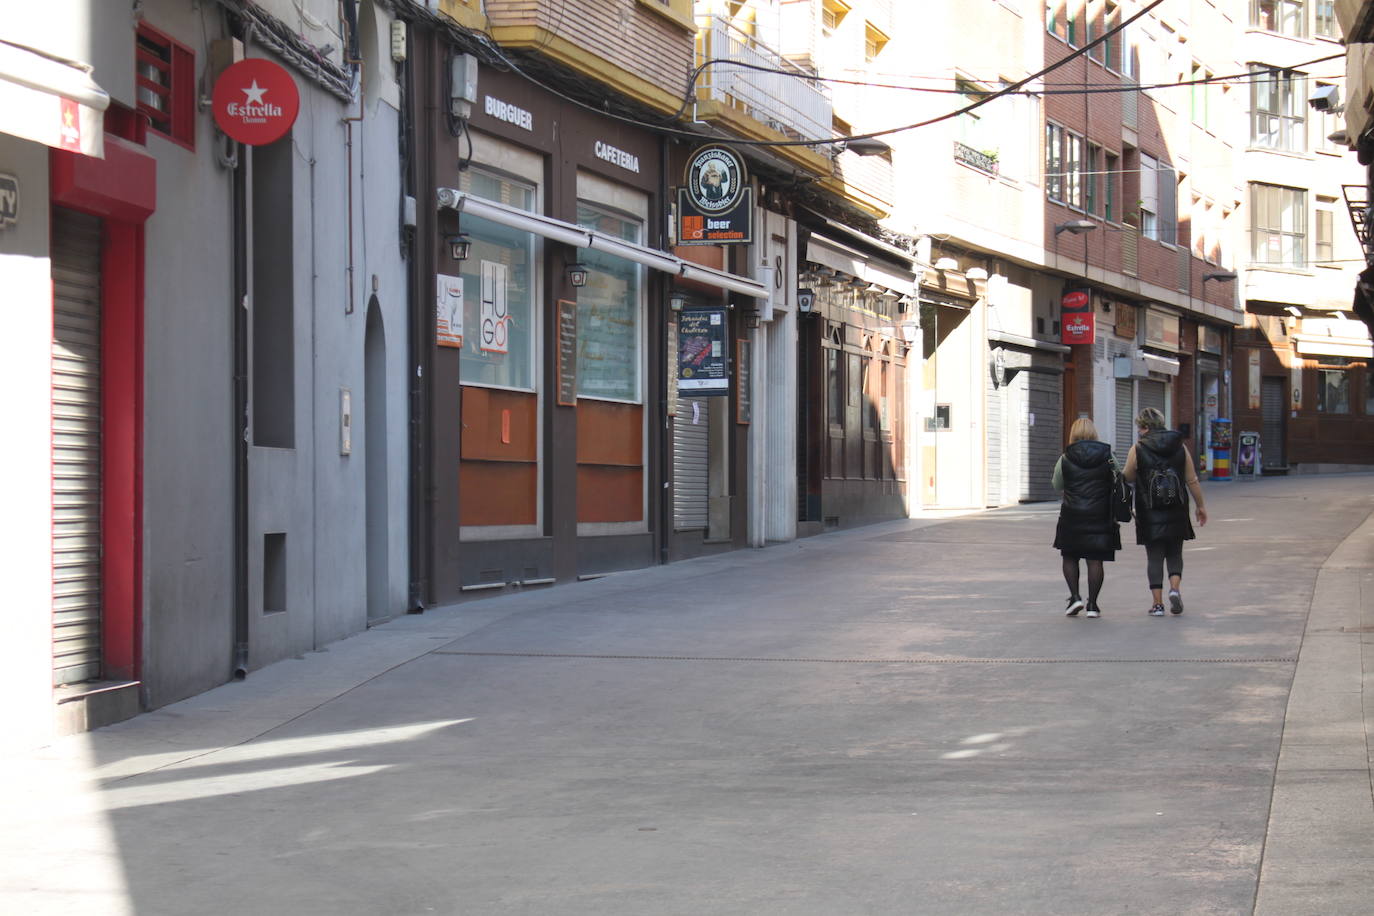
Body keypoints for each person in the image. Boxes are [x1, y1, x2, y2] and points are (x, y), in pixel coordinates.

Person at [1122, 407, 1208, 617]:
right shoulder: (1180, 446)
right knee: (1175, 553)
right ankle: (1175, 589)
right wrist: (1200, 506)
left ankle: (1158, 604)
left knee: (1154, 557)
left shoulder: (1138, 448)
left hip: (1149, 509)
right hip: (1176, 507)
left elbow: (1127, 476)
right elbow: (1191, 479)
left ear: (1143, 427)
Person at [1052, 418, 1122, 619]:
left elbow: (1057, 484)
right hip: (1100, 514)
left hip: (1072, 514)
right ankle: (1093, 605)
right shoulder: (1107, 455)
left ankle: (1075, 597)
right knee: (1095, 559)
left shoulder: (1065, 457)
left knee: (1070, 556)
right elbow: (1119, 475)